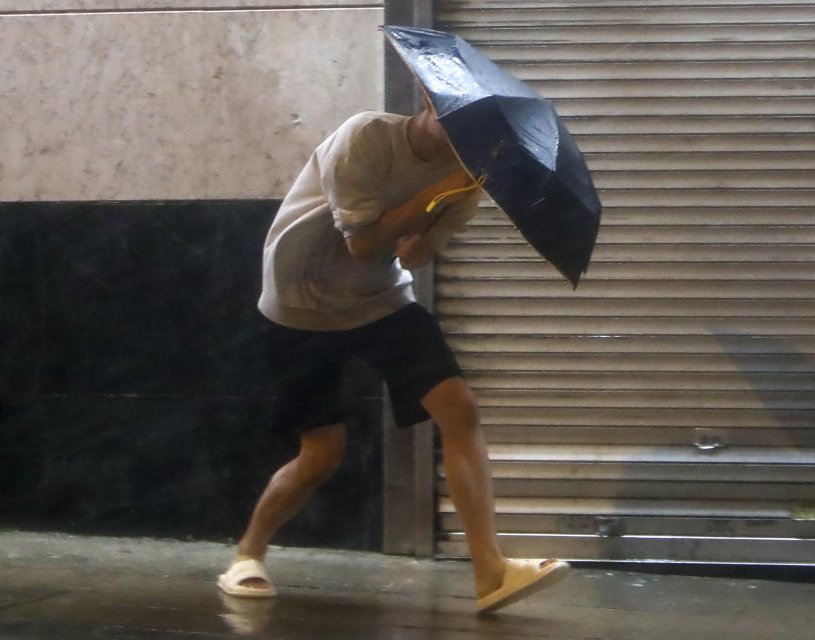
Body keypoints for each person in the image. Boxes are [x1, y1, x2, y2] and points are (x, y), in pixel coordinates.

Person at [217, 100, 570, 613]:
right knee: (321, 454)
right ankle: (246, 556)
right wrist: (434, 195)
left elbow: (411, 256)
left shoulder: (467, 176)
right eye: (461, 122)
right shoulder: (364, 137)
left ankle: (490, 571)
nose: (466, 139)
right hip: (301, 302)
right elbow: (362, 243)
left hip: (379, 298)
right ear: (431, 102)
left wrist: (444, 212)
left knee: (459, 407)